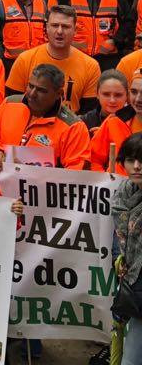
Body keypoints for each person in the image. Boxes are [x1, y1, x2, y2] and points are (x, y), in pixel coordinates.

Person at [0, 63, 89, 170]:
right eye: (31, 86)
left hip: (42, 184)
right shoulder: (9, 103)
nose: (32, 94)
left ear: (59, 93)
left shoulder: (73, 127)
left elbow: (75, 170)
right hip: (1, 177)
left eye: (41, 90)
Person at [6, 4, 100, 115]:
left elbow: (89, 113)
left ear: (75, 30)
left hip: (70, 128)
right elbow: (12, 104)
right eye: (55, 25)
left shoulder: (90, 66)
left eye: (65, 27)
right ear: (46, 28)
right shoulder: (25, 60)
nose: (60, 31)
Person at [60, 0, 134, 69]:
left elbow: (129, 21)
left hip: (108, 58)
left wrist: (115, 41)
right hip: (76, 57)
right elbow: (59, 22)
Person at [112, 132, 142, 365]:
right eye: (131, 159)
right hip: (134, 286)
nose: (137, 166)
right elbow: (121, 242)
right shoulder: (123, 193)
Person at [87, 71, 139, 173]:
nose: (112, 100)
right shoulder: (113, 122)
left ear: (126, 95)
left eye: (118, 95)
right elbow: (94, 159)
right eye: (134, 92)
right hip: (117, 187)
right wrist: (105, 182)